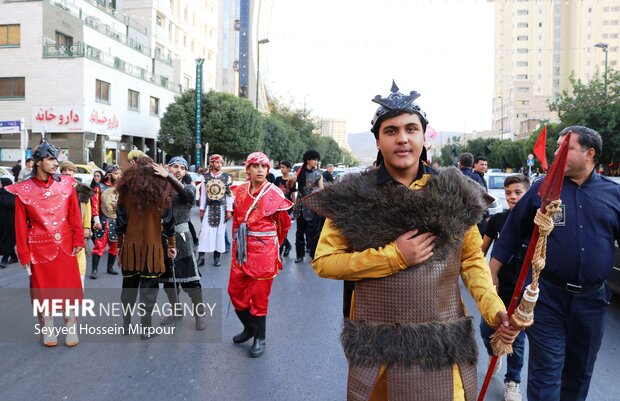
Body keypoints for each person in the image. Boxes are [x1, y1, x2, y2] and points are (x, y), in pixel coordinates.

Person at [310, 82, 519, 400]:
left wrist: (495, 310)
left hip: (442, 342)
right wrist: (394, 257)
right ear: (378, 141)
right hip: (377, 343)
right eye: (391, 130)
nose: (402, 138)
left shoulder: (455, 189)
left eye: (411, 129)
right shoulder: (353, 194)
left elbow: (472, 261)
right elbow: (324, 262)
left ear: (424, 136)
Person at [490, 126, 620, 401]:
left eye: (566, 147)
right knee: (546, 372)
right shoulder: (543, 189)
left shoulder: (613, 194)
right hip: (548, 297)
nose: (557, 152)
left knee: (580, 371)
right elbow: (512, 232)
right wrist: (493, 272)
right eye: (557, 146)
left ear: (590, 154)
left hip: (592, 301)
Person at [6, 139, 84, 346]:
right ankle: (48, 329)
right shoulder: (22, 190)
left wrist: (78, 239)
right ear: (38, 162)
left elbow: (74, 216)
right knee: (43, 291)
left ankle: (71, 328)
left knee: (69, 288)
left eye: (56, 159)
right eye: (50, 159)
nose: (55, 163)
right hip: (38, 248)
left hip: (66, 245)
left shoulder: (67, 185)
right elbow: (20, 226)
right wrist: (23, 255)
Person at [228, 152, 292, 357]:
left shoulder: (274, 194)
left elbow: (284, 225)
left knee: (258, 296)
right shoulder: (239, 191)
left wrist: (273, 247)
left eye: (264, 167)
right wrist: (237, 246)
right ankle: (250, 328)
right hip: (242, 248)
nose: (260, 170)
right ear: (247, 169)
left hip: (264, 250)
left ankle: (259, 338)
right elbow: (237, 221)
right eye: (256, 166)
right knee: (235, 291)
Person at [479, 174, 530, 401]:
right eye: (508, 193)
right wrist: (484, 274)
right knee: (485, 328)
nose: (512, 197)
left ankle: (513, 381)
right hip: (497, 289)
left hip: (524, 293)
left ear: (528, 195)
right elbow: (479, 252)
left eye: (518, 192)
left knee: (516, 340)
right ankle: (494, 354)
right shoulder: (498, 220)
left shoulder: (536, 223)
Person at [115, 156, 177, 339]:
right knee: (149, 290)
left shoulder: (125, 191)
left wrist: (119, 248)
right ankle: (146, 329)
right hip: (153, 248)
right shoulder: (162, 191)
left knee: (128, 288)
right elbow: (168, 222)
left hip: (130, 248)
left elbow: (120, 222)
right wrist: (171, 245)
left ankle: (126, 325)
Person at [153, 157, 206, 331]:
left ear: (185, 172)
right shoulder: (159, 187)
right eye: (174, 166)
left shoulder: (189, 188)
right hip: (161, 237)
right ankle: (176, 311)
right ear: (168, 166)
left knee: (191, 281)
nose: (178, 170)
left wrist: (168, 176)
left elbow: (188, 196)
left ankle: (199, 315)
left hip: (182, 237)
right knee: (168, 281)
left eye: (182, 168)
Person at [60, 161, 93, 287]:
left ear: (74, 172)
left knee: (79, 260)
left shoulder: (82, 188)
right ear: (61, 172)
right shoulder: (56, 187)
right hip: (62, 229)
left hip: (78, 228)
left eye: (70, 170)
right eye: (65, 170)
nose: (67, 173)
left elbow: (88, 208)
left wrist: (86, 227)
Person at [197, 154, 233, 267]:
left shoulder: (227, 177)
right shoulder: (205, 177)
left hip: (221, 208)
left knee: (220, 233)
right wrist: (201, 209)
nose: (219, 165)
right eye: (217, 162)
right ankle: (201, 257)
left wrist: (229, 210)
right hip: (209, 207)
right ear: (211, 163)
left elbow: (229, 195)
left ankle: (217, 257)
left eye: (221, 163)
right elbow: (203, 195)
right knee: (204, 232)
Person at [90, 165, 121, 278]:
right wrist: (96, 220)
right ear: (109, 175)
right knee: (99, 245)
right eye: (116, 173)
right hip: (103, 220)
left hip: (115, 220)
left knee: (114, 245)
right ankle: (94, 270)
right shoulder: (99, 187)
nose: (119, 176)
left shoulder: (119, 187)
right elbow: (95, 205)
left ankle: (110, 267)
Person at [294, 150, 324, 263]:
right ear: (308, 160)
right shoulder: (299, 172)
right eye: (314, 159)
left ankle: (314, 254)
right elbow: (291, 186)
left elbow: (321, 190)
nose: (316, 161)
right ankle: (299, 255)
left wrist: (317, 192)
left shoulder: (318, 174)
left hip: (313, 206)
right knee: (299, 231)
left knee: (314, 232)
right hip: (300, 205)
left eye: (317, 159)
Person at [274, 160, 297, 257]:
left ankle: (280, 252)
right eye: (281, 167)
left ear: (288, 169)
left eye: (283, 167)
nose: (281, 169)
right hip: (277, 208)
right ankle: (287, 246)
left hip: (287, 209)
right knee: (278, 230)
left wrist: (294, 207)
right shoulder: (278, 179)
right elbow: (274, 193)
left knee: (284, 230)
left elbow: (293, 195)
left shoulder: (291, 181)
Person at [0, 177, 18, 268]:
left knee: (9, 240)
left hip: (10, 221)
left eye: (0, 183)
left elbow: (13, 205)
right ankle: (14, 257)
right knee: (3, 240)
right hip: (1, 222)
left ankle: (4, 260)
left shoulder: (11, 194)